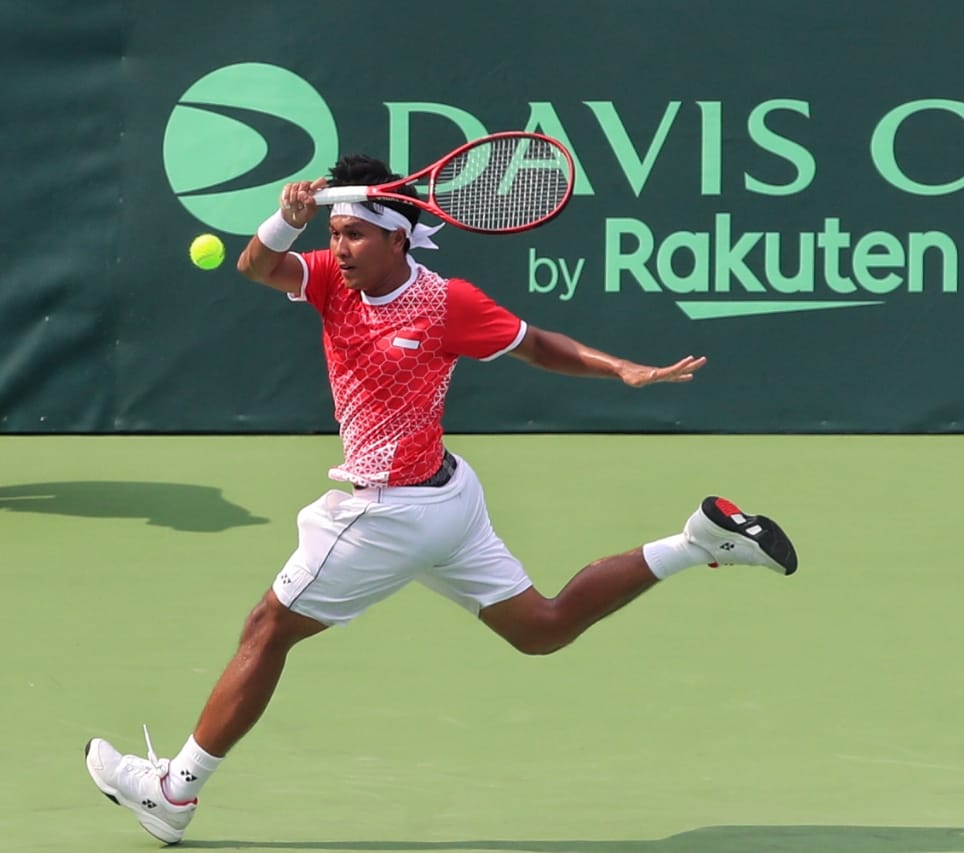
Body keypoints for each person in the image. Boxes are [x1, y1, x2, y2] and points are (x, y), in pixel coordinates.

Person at [84, 154, 797, 844]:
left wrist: (623, 369)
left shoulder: (445, 303)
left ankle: (173, 792)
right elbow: (258, 267)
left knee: (267, 627)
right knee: (541, 627)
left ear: (398, 234)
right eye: (335, 234)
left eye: (354, 233)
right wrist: (285, 220)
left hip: (390, 513)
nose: (341, 247)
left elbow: (537, 344)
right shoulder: (334, 279)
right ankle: (697, 542)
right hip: (448, 503)